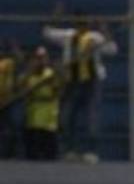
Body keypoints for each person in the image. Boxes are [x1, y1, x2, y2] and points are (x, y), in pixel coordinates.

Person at [42, 16, 117, 163]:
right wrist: (56, 15)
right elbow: (47, 33)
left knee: (92, 116)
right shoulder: (68, 36)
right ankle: (69, 149)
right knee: (68, 115)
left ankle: (91, 151)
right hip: (72, 80)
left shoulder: (95, 37)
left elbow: (112, 49)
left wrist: (105, 30)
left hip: (92, 80)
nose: (82, 25)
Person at [19, 47, 62, 161]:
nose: (41, 61)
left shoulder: (51, 75)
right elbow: (21, 91)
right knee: (32, 154)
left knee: (49, 155)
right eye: (38, 58)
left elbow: (57, 92)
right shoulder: (28, 75)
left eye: (43, 58)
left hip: (48, 121)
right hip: (33, 119)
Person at [0, 40, 22, 159]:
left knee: (8, 127)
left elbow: (19, 60)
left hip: (7, 100)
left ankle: (9, 152)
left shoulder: (8, 62)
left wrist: (14, 49)